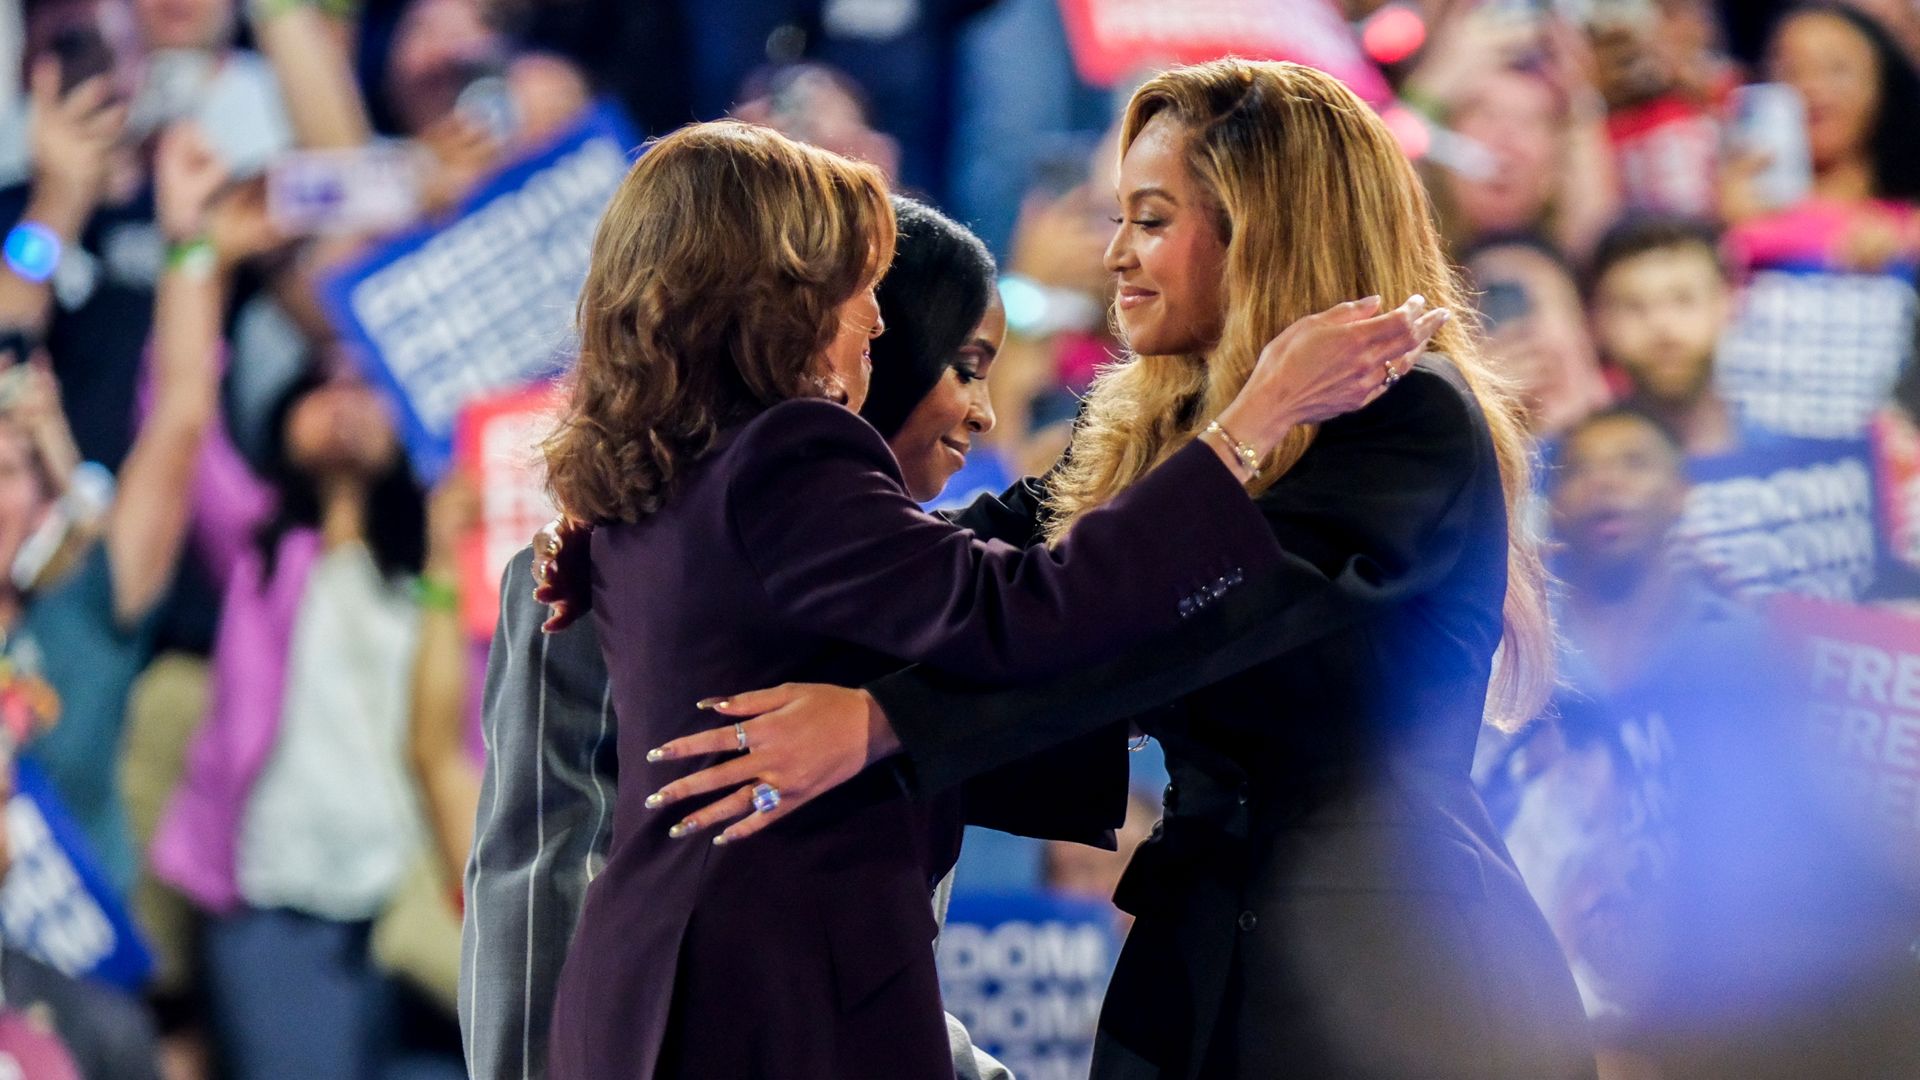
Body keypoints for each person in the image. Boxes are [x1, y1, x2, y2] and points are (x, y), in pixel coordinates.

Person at [652, 60, 1594, 1078]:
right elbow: (976, 570)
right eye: (1118, 219)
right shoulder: (1157, 427)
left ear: (1266, 230)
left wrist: (881, 726)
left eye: (1151, 221)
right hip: (1190, 971)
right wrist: (665, 520)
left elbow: (1164, 637)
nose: (1113, 256)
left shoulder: (1405, 412)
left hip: (1402, 980)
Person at [453, 195, 1028, 1080]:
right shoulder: (593, 570)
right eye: (963, 363)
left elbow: (861, 947)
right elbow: (537, 877)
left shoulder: (923, 587)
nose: (983, 412)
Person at [1588, 216, 1743, 458]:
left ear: (1727, 304)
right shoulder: (1567, 476)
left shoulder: (1792, 464)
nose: (1663, 328)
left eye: (1683, 299)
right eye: (1633, 306)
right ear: (1598, 322)